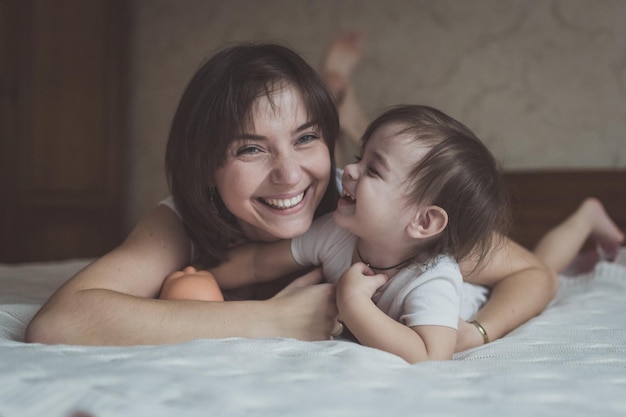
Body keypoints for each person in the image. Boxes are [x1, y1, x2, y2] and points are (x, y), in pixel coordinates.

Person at [25, 41, 557, 350]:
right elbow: (59, 322)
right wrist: (272, 321)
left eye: (307, 138)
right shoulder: (181, 223)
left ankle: (340, 105)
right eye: (250, 149)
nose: (289, 176)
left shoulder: (369, 222)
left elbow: (532, 273)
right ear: (205, 167)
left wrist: (477, 333)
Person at [161, 104, 511, 363]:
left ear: (423, 222)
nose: (350, 171)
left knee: (547, 262)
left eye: (373, 170)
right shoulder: (336, 233)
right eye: (359, 157)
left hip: (472, 303)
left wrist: (354, 303)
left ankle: (570, 226)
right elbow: (256, 263)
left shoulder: (434, 279)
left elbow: (429, 356)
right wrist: (202, 273)